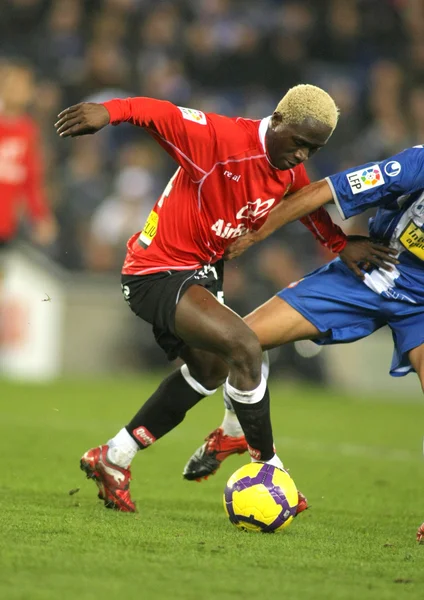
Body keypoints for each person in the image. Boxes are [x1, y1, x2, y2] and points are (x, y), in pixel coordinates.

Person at [55, 85, 391, 514]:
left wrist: (341, 245)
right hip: (156, 271)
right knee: (246, 346)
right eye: (301, 143)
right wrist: (108, 112)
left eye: (315, 148)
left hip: (202, 272)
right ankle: (270, 467)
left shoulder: (289, 168)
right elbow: (158, 112)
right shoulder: (221, 138)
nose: (303, 155)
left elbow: (307, 205)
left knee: (211, 371)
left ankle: (114, 457)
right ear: (279, 119)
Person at [179, 144, 424, 541]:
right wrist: (255, 234)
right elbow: (320, 191)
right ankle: (233, 429)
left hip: (422, 304)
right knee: (242, 339)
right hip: (371, 270)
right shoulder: (417, 164)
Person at [0, 60, 57, 251]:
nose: (19, 90)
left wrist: (40, 216)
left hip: (5, 224)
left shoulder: (28, 132)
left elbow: (31, 181)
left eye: (24, 85)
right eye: (14, 84)